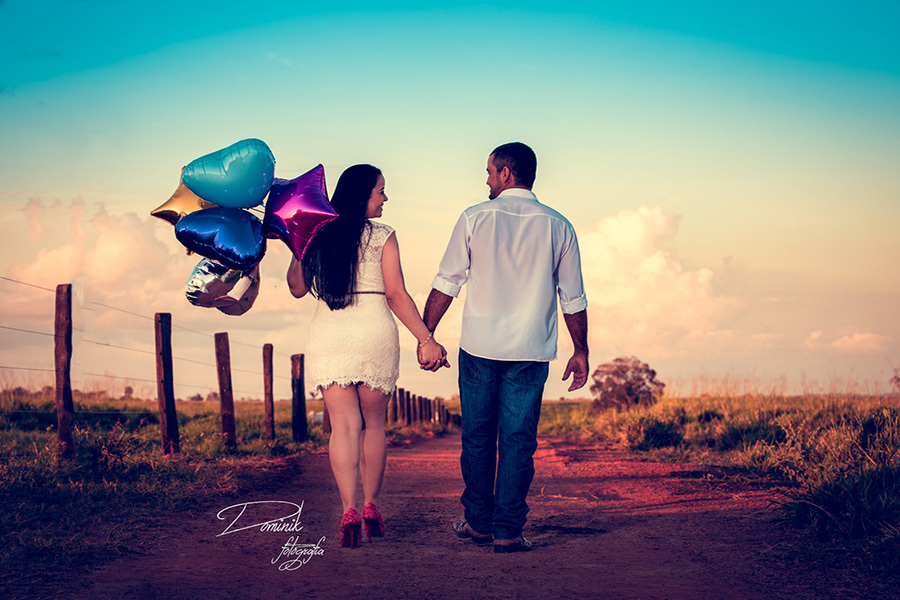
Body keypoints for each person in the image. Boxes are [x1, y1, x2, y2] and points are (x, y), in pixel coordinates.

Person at [420, 142, 589, 553]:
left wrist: (427, 335)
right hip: (530, 349)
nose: (487, 179)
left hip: (480, 346)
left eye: (489, 172)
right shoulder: (559, 226)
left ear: (506, 174)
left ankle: (479, 524)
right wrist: (580, 350)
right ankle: (508, 531)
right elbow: (572, 297)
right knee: (518, 441)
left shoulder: (474, 217)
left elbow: (447, 281)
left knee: (477, 436)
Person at [287, 164, 448, 548]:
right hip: (373, 331)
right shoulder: (383, 235)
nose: (385, 198)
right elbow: (395, 294)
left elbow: (296, 288)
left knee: (343, 427)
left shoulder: (316, 233)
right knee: (374, 425)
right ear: (363, 195)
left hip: (331, 332)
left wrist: (298, 242)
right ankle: (372, 504)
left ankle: (348, 510)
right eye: (381, 191)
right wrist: (426, 339)